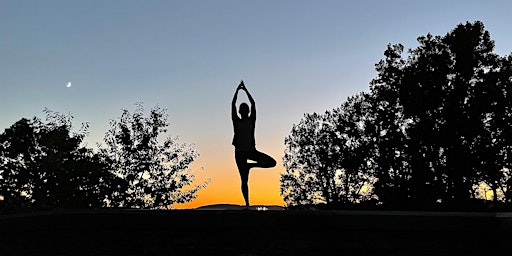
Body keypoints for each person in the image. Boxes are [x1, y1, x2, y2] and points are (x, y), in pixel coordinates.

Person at [231, 80, 276, 208]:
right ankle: (247, 204)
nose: (244, 111)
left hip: (251, 151)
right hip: (240, 153)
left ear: (248, 111)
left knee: (272, 163)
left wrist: (245, 90)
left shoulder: (251, 120)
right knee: (244, 180)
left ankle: (251, 166)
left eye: (245, 109)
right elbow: (232, 104)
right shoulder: (236, 121)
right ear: (240, 111)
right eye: (242, 109)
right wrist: (237, 91)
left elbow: (253, 103)